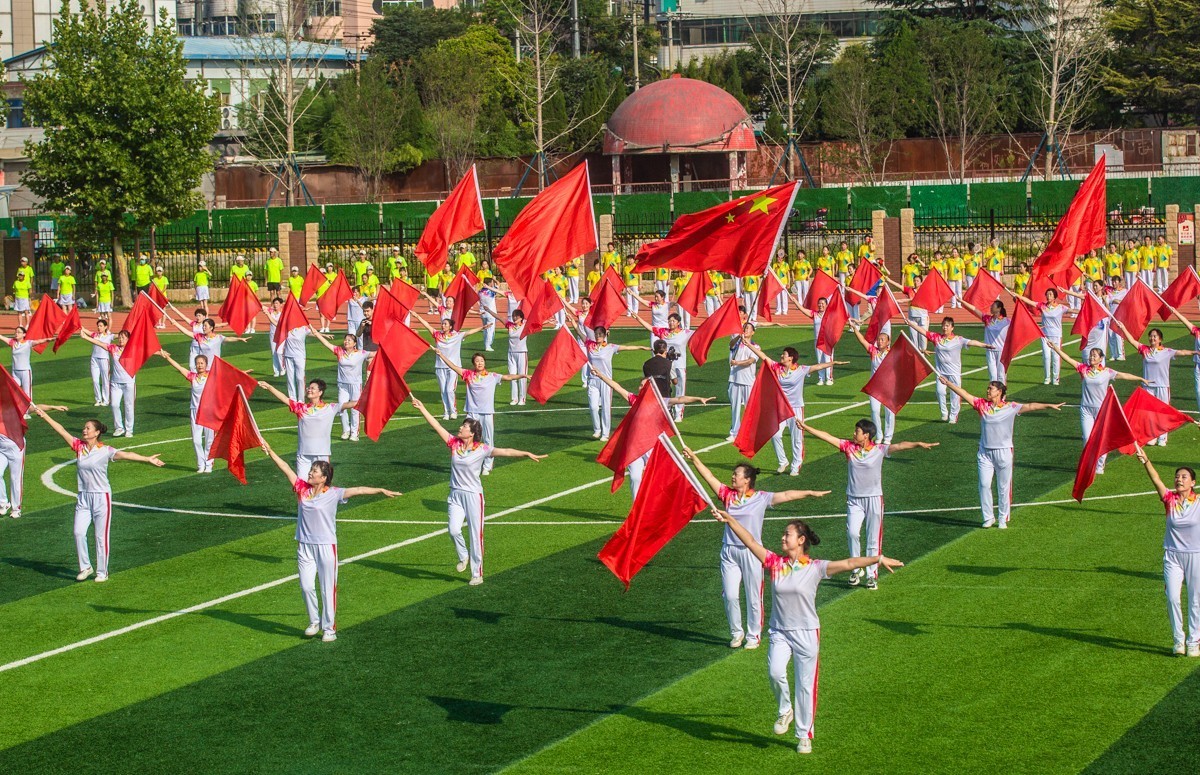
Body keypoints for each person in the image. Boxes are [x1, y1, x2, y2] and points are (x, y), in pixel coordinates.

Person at [712, 508, 903, 752]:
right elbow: (748, 540)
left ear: (801, 540)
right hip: (779, 632)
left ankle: (804, 735)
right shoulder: (774, 563)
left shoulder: (815, 567)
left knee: (804, 685)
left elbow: (848, 563)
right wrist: (729, 519)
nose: (782, 538)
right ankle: (785, 710)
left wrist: (877, 559)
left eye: (787, 534)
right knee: (774, 671)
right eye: (783, 534)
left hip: (806, 633)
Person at [682, 450, 830, 651]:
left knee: (753, 595)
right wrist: (695, 459)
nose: (733, 477)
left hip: (753, 552)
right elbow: (708, 476)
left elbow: (786, 495)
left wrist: (810, 493)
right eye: (733, 474)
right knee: (730, 595)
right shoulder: (727, 496)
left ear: (747, 480)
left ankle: (754, 634)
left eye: (737, 474)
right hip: (729, 551)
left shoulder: (761, 498)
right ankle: (736, 632)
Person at [261, 442, 399, 642]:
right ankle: (314, 621)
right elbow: (286, 469)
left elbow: (358, 490)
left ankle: (329, 629)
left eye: (314, 471)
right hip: (304, 545)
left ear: (324, 478)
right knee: (307, 586)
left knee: (327, 589)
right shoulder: (302, 489)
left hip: (326, 546)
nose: (310, 473)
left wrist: (380, 490)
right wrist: (271, 451)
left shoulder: (334, 493)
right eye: (311, 470)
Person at [409, 396, 545, 585]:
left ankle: (476, 573)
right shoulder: (454, 444)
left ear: (472, 433)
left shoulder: (482, 449)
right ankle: (463, 555)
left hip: (473, 496)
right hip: (455, 494)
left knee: (475, 534)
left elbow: (505, 452)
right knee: (454, 529)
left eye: (464, 427)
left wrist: (526, 453)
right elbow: (437, 427)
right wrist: (422, 408)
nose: (460, 428)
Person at [30, 407, 164, 582]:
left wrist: (147, 459)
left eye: (88, 428)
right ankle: (85, 567)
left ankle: (102, 571)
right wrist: (45, 415)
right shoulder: (79, 447)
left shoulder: (106, 450)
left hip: (101, 497)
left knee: (101, 536)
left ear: (97, 432)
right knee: (78, 532)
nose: (84, 430)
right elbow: (61, 430)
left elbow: (126, 454)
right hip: (83, 497)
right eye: (84, 428)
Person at [800, 418, 937, 589]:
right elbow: (827, 437)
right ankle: (855, 570)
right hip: (854, 500)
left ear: (866, 435)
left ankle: (872, 575)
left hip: (874, 499)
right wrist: (807, 428)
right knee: (852, 533)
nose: (853, 434)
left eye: (857, 431)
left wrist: (917, 444)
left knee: (873, 539)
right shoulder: (849, 448)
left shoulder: (879, 450)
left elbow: (900, 445)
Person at [940, 378, 1062, 528]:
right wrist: (949, 384)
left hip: (1004, 452)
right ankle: (988, 517)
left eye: (990, 388)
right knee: (984, 485)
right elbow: (964, 394)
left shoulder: (1011, 407)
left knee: (1003, 487)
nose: (987, 391)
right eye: (988, 388)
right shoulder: (982, 405)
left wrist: (1049, 405)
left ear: (999, 392)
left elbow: (1030, 406)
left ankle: (1003, 518)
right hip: (985, 452)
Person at [591, 371, 714, 494]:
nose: (640, 387)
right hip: (634, 447)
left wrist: (698, 398)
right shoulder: (634, 400)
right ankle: (637, 511)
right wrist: (601, 375)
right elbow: (616, 386)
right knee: (635, 477)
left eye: (643, 385)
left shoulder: (660, 401)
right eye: (640, 385)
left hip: (652, 446)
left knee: (659, 477)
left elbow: (680, 399)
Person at [741, 340, 841, 475]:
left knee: (797, 438)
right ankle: (783, 462)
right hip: (780, 408)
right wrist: (748, 345)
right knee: (775, 434)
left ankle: (796, 465)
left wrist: (832, 363)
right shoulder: (777, 367)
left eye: (784, 354)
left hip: (796, 409)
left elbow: (817, 367)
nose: (781, 356)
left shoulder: (801, 369)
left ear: (791, 358)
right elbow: (763, 356)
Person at [1048, 341, 1147, 475]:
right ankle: (1089, 465)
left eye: (1094, 356)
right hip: (1086, 410)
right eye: (1091, 355)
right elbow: (1069, 359)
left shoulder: (1107, 372)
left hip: (1102, 410)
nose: (1091, 358)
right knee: (1087, 439)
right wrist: (1056, 348)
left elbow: (1124, 375)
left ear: (1101, 359)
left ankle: (1100, 465)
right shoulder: (1083, 369)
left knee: (1101, 439)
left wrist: (1141, 378)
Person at [1136, 453, 1200, 657]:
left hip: (1196, 556)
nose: (1179, 479)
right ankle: (1178, 640)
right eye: (1177, 476)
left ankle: (1193, 642)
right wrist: (1146, 460)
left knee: (1195, 600)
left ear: (1193, 483)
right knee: (1172, 597)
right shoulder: (1169, 499)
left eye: (1183, 477)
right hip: (1172, 556)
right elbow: (1155, 479)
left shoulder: (1199, 502)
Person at [433, 351, 529, 474]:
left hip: (487, 413)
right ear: (474, 363)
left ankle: (487, 466)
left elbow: (508, 377)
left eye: (482, 361)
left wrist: (523, 375)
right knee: (468, 440)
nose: (480, 363)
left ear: (485, 363)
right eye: (477, 361)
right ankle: (470, 463)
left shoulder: (492, 376)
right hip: (472, 413)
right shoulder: (468, 374)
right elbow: (453, 366)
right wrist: (441, 355)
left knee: (488, 440)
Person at [1113, 321, 1197, 446]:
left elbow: (1182, 352)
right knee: (1150, 413)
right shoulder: (1145, 350)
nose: (1152, 338)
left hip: (1162, 386)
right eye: (1151, 336)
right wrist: (1123, 327)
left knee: (1163, 412)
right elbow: (1131, 341)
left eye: (1155, 336)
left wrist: (1195, 352)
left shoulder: (1166, 351)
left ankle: (1162, 437)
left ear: (1160, 339)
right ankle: (1152, 436)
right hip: (1148, 387)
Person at [256, 378, 359, 474]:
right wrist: (269, 387)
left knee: (321, 486)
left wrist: (371, 397)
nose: (309, 390)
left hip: (321, 454)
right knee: (302, 486)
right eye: (308, 388)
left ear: (320, 392)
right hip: (303, 454)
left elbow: (350, 404)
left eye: (312, 388)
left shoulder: (330, 408)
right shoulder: (301, 408)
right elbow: (285, 399)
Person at [569, 322, 650, 440]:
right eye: (596, 334)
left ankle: (605, 433)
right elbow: (579, 332)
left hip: (606, 381)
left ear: (605, 335)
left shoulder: (610, 347)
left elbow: (626, 348)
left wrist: (641, 347)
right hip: (593, 380)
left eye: (600, 334)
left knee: (606, 407)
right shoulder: (589, 345)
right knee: (593, 407)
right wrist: (571, 321)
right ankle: (597, 429)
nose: (598, 336)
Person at [905, 317, 991, 423]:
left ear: (952, 328)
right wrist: (911, 324)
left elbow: (971, 342)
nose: (944, 328)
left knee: (955, 395)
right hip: (940, 372)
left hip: (954, 373)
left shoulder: (958, 340)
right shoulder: (936, 338)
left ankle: (953, 416)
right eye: (943, 325)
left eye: (947, 326)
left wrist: (984, 345)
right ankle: (944, 413)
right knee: (940, 392)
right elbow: (923, 331)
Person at [0, 402, 67, 519]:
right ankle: (4, 503)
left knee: (15, 478)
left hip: (17, 447)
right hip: (1, 449)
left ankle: (16, 508)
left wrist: (53, 407)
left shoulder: (15, 407)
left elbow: (35, 408)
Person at [412, 313, 485, 420]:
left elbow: (469, 332)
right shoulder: (437, 335)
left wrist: (482, 327)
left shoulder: (457, 335)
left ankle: (453, 411)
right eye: (442, 324)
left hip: (453, 367)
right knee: (443, 390)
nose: (443, 326)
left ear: (450, 327)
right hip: (439, 367)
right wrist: (417, 316)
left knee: (450, 390)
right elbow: (427, 325)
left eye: (445, 324)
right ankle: (446, 412)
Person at [156, 350, 217, 473]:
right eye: (198, 363)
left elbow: (227, 375)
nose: (200, 365)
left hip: (209, 411)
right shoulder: (192, 377)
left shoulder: (211, 375)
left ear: (206, 364)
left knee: (209, 440)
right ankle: (200, 464)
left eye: (202, 363)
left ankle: (209, 464)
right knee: (196, 439)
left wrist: (242, 373)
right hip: (195, 411)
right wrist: (167, 358)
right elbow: (179, 367)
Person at [312, 330, 372, 442]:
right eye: (345, 340)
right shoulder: (339, 351)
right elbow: (327, 344)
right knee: (341, 407)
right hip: (342, 384)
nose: (346, 342)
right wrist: (316, 334)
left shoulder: (361, 353)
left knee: (355, 409)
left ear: (354, 343)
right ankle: (346, 430)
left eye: (349, 340)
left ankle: (355, 433)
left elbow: (375, 353)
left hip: (355, 385)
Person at [80, 328, 138, 436]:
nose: (120, 339)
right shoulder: (114, 348)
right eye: (120, 337)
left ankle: (129, 429)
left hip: (129, 383)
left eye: (123, 338)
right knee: (115, 405)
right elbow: (100, 343)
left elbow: (147, 349)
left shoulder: (132, 349)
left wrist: (161, 353)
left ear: (128, 339)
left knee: (129, 406)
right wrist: (86, 337)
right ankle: (119, 428)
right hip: (115, 383)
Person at [848, 325, 897, 443]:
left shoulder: (893, 353)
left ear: (888, 342)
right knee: (874, 411)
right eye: (878, 340)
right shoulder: (873, 352)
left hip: (889, 387)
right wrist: (855, 329)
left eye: (882, 340)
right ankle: (879, 435)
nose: (879, 342)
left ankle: (888, 437)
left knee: (889, 413)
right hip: (875, 388)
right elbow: (862, 341)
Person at [1015, 288, 1067, 385]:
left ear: (1055, 297)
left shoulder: (1061, 307)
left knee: (1056, 357)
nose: (1048, 296)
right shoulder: (1042, 306)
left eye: (1050, 294)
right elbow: (1030, 302)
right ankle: (1047, 378)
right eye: (1047, 294)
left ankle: (1055, 379)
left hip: (1056, 336)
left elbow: (1074, 310)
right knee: (1046, 357)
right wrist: (1018, 296)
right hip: (1045, 335)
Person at [959, 297, 1010, 382]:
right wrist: (962, 302)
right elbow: (975, 309)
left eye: (993, 306)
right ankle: (994, 394)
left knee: (1001, 376)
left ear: (999, 308)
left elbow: (1019, 325)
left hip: (1002, 351)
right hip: (989, 350)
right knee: (992, 376)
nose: (990, 307)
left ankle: (1002, 395)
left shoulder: (1007, 321)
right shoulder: (987, 319)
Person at [1162, 303, 1200, 411]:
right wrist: (1175, 311)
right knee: (1198, 391)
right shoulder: (1197, 332)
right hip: (1198, 366)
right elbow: (1186, 322)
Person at [4, 327, 54, 406]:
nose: (16, 333)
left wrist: (49, 339)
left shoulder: (28, 343)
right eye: (16, 332)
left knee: (27, 393)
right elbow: (2, 337)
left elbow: (39, 341)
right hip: (15, 372)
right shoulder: (12, 342)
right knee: (11, 390)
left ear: (24, 334)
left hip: (25, 372)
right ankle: (17, 407)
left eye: (19, 332)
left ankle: (27, 412)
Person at [87, 318, 114, 407]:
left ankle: (106, 400)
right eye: (98, 326)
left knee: (105, 380)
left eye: (101, 326)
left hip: (104, 359)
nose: (99, 328)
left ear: (106, 327)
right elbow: (85, 331)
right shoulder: (95, 335)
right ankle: (98, 400)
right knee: (95, 381)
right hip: (94, 359)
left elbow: (120, 336)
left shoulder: (109, 336)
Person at [12, 261, 32, 328]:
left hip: (25, 298)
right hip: (18, 298)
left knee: (26, 312)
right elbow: (14, 289)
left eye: (22, 275)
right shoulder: (16, 282)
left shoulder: (27, 282)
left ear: (24, 276)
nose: (20, 276)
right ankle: (20, 324)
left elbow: (30, 290)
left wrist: (29, 298)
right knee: (19, 312)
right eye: (19, 275)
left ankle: (27, 324)